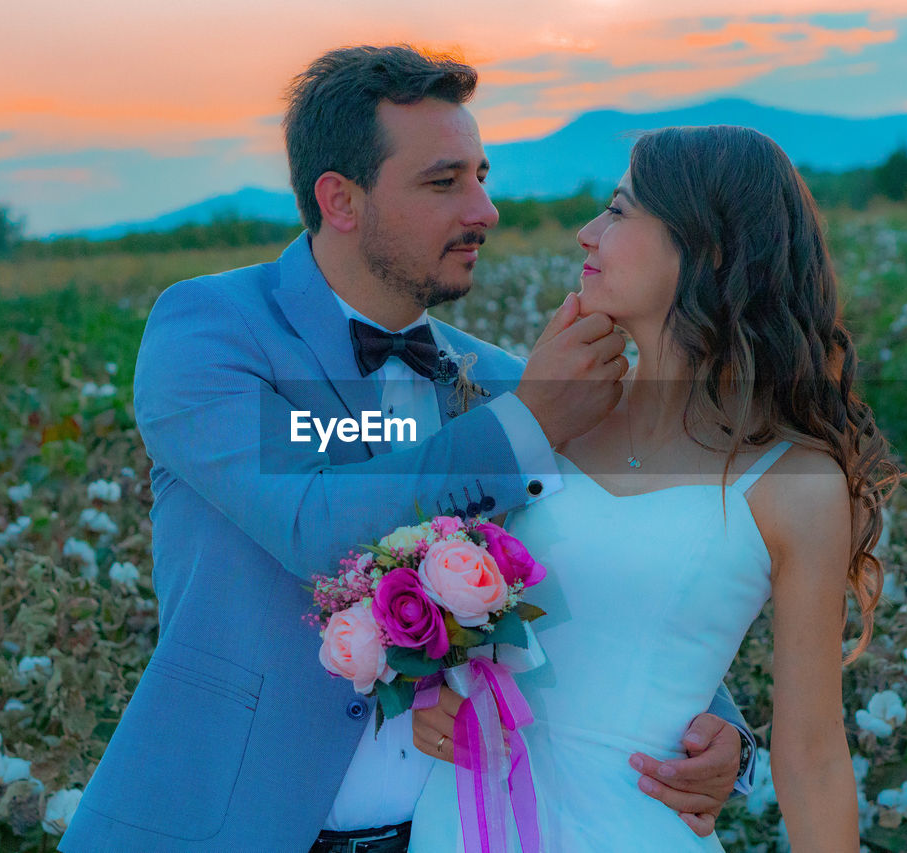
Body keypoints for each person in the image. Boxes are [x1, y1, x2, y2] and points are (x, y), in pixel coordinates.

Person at [59, 47, 757, 853]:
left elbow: (603, 568)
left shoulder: (503, 381)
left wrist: (722, 737)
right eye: (444, 182)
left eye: (483, 176)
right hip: (224, 828)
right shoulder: (210, 330)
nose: (484, 210)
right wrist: (528, 424)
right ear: (341, 200)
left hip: (452, 831)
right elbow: (313, 524)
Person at [408, 125, 901, 852]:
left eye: (617, 209)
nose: (586, 233)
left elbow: (814, 754)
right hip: (464, 820)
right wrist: (428, 692)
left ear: (707, 248)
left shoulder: (794, 482)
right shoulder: (546, 416)